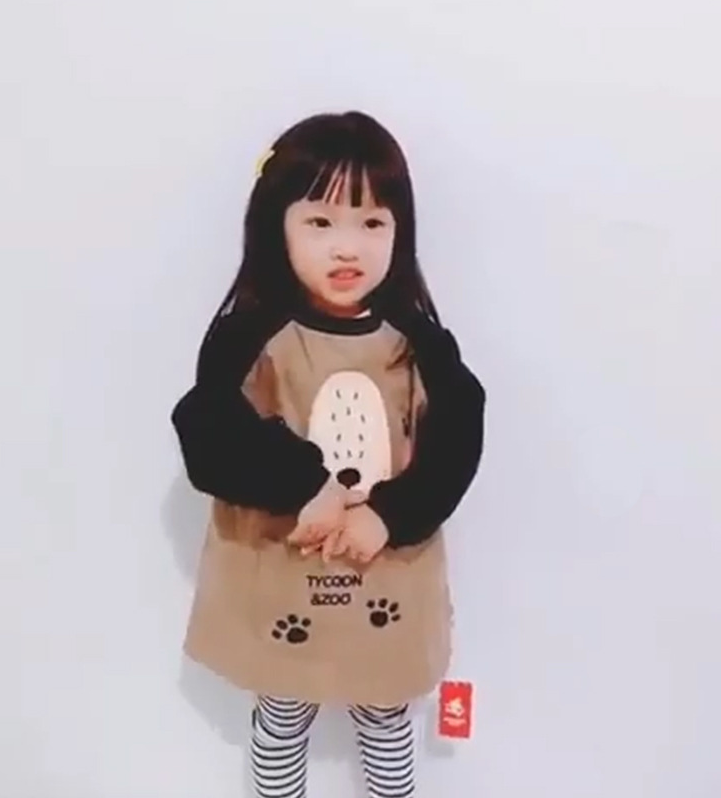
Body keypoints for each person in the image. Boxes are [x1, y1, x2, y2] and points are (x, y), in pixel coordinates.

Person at [171, 110, 486, 798]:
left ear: (400, 231)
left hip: (388, 576)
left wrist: (390, 514)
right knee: (283, 713)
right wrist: (302, 484)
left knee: (387, 714)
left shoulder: (420, 342)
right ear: (276, 226)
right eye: (320, 221)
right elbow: (207, 428)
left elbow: (458, 440)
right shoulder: (248, 335)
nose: (348, 247)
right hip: (282, 574)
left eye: (372, 222)